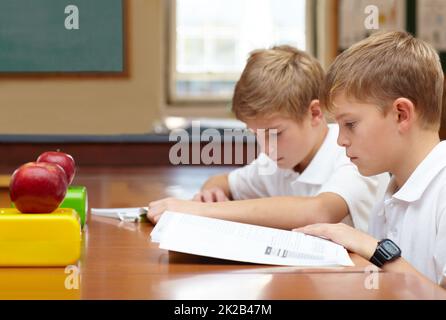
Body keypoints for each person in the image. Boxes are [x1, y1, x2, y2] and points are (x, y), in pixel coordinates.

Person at [147, 45, 388, 232]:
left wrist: (201, 212)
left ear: (314, 113)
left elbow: (320, 211)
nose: (267, 148)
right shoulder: (275, 163)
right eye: (257, 135)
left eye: (275, 133)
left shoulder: (353, 150)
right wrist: (210, 195)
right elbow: (221, 182)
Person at [295, 31, 446, 287]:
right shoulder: (390, 194)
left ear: (401, 114)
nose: (341, 140)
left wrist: (374, 248)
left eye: (350, 124)